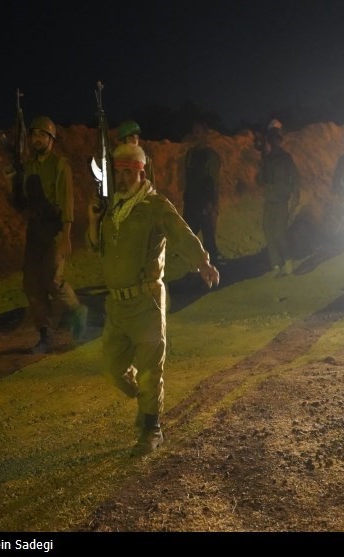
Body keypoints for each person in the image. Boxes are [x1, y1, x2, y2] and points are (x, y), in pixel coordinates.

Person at [86, 143, 220, 457]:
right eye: (117, 172)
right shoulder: (111, 209)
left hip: (146, 301)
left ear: (140, 172)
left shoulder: (153, 205)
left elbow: (180, 233)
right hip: (116, 305)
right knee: (111, 367)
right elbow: (94, 249)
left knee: (150, 369)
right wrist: (92, 219)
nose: (121, 178)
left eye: (128, 172)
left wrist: (202, 262)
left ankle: (151, 428)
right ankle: (145, 402)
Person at [12, 115, 88, 354]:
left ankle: (76, 310)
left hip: (55, 229)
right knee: (32, 284)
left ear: (51, 139)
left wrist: (66, 235)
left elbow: (67, 202)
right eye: (34, 134)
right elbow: (20, 203)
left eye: (42, 135)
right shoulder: (29, 167)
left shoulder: (59, 165)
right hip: (35, 231)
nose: (37, 139)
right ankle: (45, 334)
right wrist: (10, 181)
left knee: (53, 280)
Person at [258, 126, 299, 277]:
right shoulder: (266, 160)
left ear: (279, 140)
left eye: (276, 139)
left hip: (281, 200)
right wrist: (261, 166)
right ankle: (275, 264)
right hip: (269, 200)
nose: (274, 142)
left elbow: (295, 178)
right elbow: (260, 180)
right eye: (271, 139)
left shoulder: (286, 158)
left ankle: (288, 259)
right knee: (269, 232)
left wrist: (295, 197)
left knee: (280, 234)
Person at [182, 120, 222, 262]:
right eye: (194, 132)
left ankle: (213, 269)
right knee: (189, 237)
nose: (195, 135)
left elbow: (214, 181)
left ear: (205, 134)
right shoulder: (190, 154)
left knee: (208, 239)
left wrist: (212, 204)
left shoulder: (211, 156)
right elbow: (186, 178)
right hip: (192, 202)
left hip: (206, 204)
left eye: (198, 132)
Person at [116, 119, 156, 187]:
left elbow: (151, 187)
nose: (135, 141)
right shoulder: (115, 160)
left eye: (136, 138)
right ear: (123, 140)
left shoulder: (146, 160)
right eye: (131, 138)